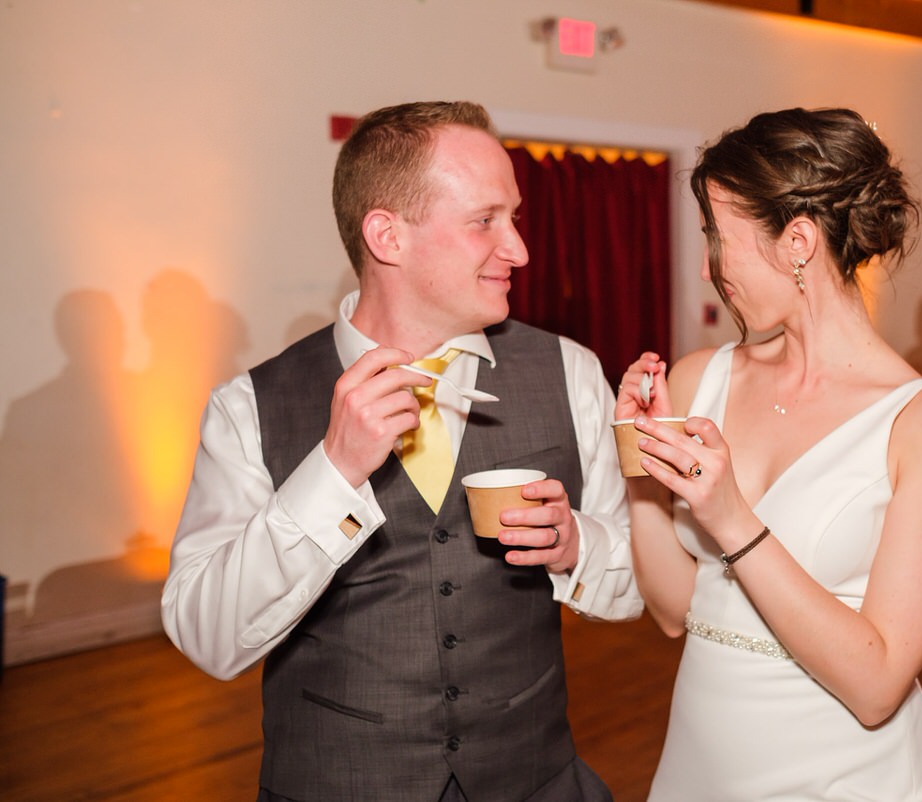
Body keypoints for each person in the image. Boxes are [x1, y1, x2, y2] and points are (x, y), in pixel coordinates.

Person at [161, 101, 641, 802]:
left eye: (515, 218)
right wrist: (332, 470)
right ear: (387, 235)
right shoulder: (249, 409)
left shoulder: (569, 371)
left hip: (535, 782)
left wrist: (576, 546)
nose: (519, 250)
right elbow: (207, 636)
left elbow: (641, 584)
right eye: (485, 221)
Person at [615, 107, 922, 800]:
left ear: (798, 242)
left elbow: (877, 685)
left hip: (841, 776)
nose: (706, 266)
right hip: (700, 768)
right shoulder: (702, 379)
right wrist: (640, 464)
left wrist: (730, 517)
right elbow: (674, 612)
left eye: (717, 237)